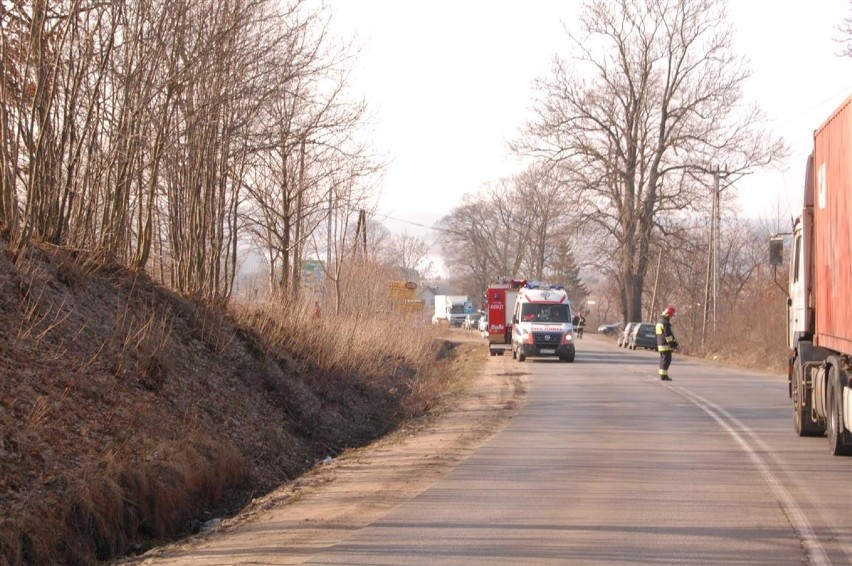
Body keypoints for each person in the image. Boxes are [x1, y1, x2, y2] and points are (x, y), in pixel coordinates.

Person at [656, 305, 678, 381]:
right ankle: (664, 376)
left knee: (663, 359)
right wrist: (672, 344)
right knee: (666, 360)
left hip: (660, 344)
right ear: (668, 314)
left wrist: (674, 342)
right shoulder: (665, 323)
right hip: (665, 345)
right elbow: (668, 335)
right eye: (671, 315)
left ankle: (663, 374)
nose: (671, 317)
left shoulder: (660, 321)